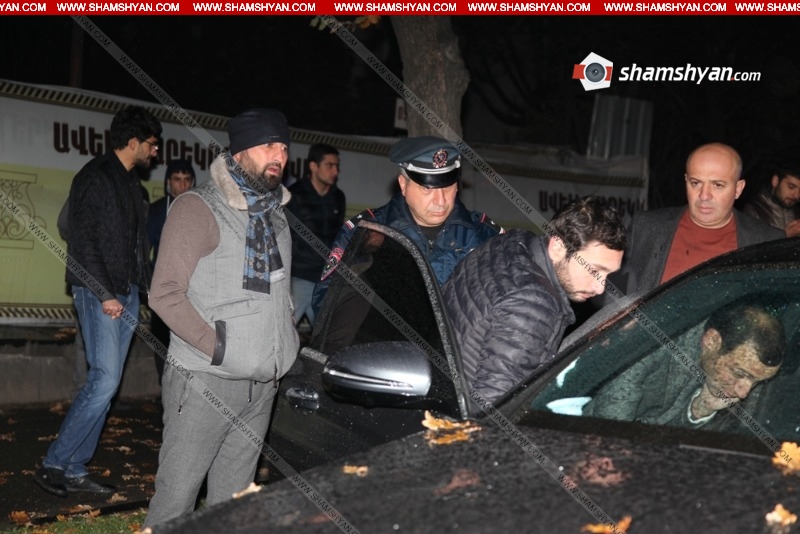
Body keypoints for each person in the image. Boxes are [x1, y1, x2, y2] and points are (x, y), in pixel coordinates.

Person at [143, 108, 299, 527]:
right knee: (176, 502)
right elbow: (164, 293)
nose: (279, 156)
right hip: (205, 381)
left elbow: (280, 292)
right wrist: (219, 348)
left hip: (262, 386)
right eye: (269, 145)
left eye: (284, 147)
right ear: (241, 150)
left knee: (232, 508)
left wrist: (285, 341)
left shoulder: (275, 214)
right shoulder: (198, 208)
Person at [35, 106, 161, 497]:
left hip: (127, 292)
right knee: (104, 381)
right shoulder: (95, 176)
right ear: (134, 142)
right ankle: (54, 464)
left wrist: (141, 290)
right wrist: (104, 293)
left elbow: (137, 247)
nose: (156, 151)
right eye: (152, 144)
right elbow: (83, 239)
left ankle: (74, 467)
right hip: (99, 292)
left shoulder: (131, 184)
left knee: (106, 384)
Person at [443, 197, 627, 404]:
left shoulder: (512, 243)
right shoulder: (533, 305)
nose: (600, 287)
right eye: (594, 270)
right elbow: (494, 405)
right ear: (558, 248)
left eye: (608, 274)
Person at [312, 135, 504, 312]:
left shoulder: (485, 235)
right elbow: (326, 305)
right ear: (403, 185)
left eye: (447, 187)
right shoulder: (365, 232)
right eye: (427, 189)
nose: (440, 201)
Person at [609, 143, 783, 299]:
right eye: (696, 183)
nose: (704, 195)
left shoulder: (767, 242)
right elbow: (608, 285)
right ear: (686, 181)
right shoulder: (647, 228)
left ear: (738, 189)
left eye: (717, 185)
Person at [585, 302, 785, 429]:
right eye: (739, 372)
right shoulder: (655, 340)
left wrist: (700, 409)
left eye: (758, 381)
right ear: (711, 341)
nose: (744, 392)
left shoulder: (744, 381)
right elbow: (610, 432)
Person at [147, 159, 196, 380]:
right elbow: (145, 249)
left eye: (187, 180)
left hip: (193, 290)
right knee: (161, 341)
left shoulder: (201, 210)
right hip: (163, 287)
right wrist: (149, 284)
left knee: (190, 342)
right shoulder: (157, 210)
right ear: (168, 182)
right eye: (177, 180)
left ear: (193, 182)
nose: (182, 185)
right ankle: (165, 386)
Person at [286, 143, 345, 327]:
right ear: (313, 166)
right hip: (299, 276)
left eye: (337, 166)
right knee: (286, 330)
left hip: (326, 278)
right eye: (329, 165)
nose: (335, 171)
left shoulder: (338, 197)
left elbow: (338, 236)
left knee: (327, 333)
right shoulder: (293, 195)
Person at [742, 163, 800, 237]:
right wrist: (784, 236)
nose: (797, 195)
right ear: (775, 181)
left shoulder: (797, 211)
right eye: (791, 187)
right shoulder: (753, 210)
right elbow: (749, 242)